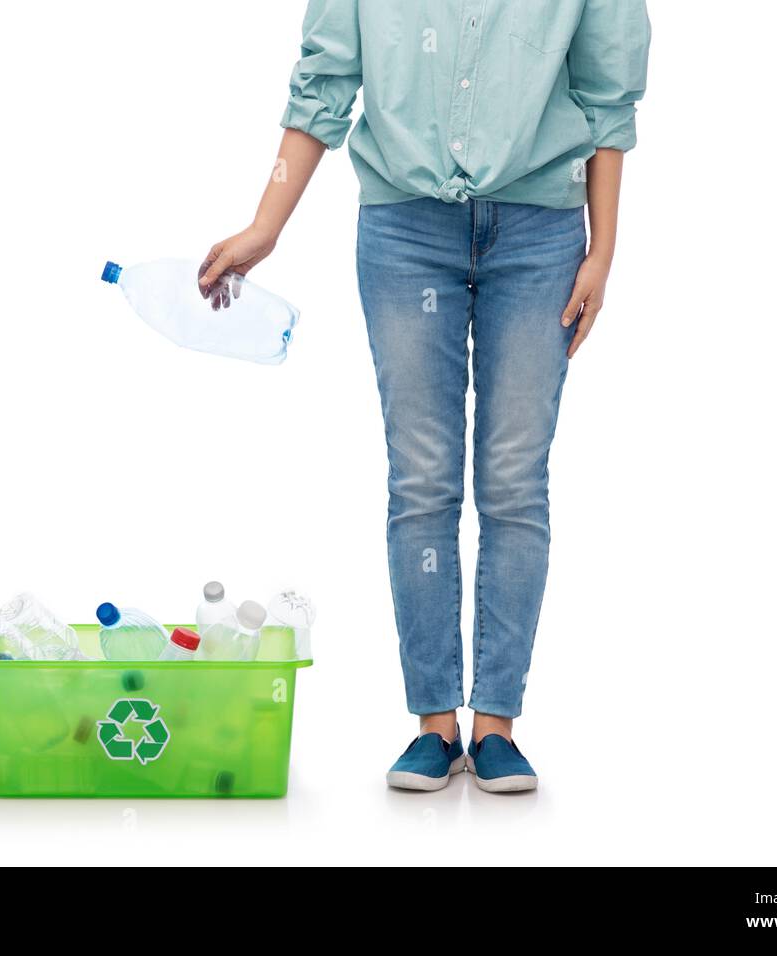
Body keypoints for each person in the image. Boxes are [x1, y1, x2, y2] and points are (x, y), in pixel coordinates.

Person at [200, 1, 651, 793]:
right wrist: (265, 225)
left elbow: (607, 99)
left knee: (514, 481)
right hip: (405, 233)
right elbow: (326, 83)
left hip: (543, 232)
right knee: (421, 477)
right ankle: (435, 726)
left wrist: (602, 253)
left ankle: (499, 725)